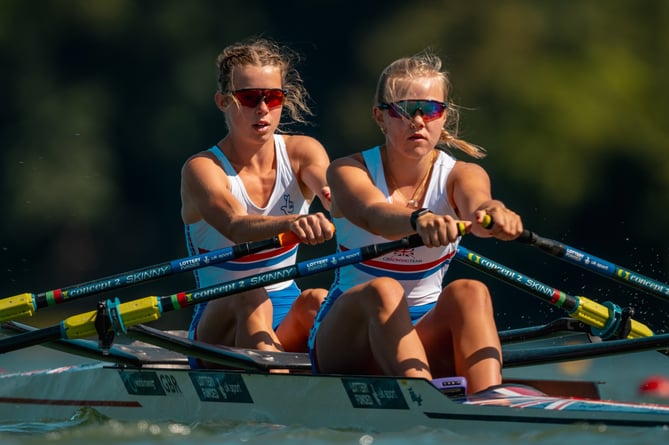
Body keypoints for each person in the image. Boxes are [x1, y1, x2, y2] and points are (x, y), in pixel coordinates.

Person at [308, 50, 523, 394]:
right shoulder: (348, 170)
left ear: (444, 117)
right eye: (405, 109)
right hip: (346, 341)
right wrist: (418, 219)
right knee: (384, 288)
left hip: (421, 334)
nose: (418, 121)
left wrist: (496, 215)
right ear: (380, 117)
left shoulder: (462, 175)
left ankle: (490, 404)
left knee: (470, 291)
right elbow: (372, 214)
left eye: (432, 109)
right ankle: (426, 400)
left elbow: (479, 209)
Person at [180, 38, 334, 366]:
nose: (263, 109)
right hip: (219, 319)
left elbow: (334, 193)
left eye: (273, 97)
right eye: (249, 98)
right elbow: (235, 226)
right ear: (223, 102)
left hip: (284, 315)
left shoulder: (302, 152)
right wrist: (292, 223)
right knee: (250, 293)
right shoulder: (202, 169)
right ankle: (278, 397)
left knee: (319, 300)